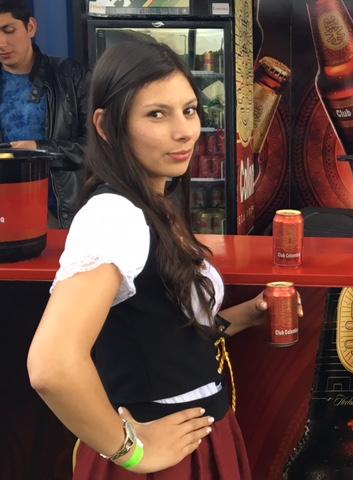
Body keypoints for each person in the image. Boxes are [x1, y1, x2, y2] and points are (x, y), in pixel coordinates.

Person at [26, 40, 302, 479]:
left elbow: (160, 332)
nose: (185, 131)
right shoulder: (113, 214)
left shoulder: (154, 201)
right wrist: (133, 452)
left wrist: (246, 315)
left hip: (198, 441)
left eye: (189, 110)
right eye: (157, 114)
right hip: (162, 462)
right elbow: (51, 365)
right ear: (107, 126)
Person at [0, 0, 88, 228]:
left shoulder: (70, 76)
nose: (2, 43)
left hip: (62, 209)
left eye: (9, 30)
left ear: (30, 27)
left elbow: (96, 147)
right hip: (6, 208)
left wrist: (39, 150)